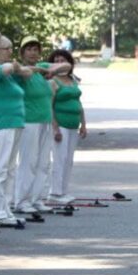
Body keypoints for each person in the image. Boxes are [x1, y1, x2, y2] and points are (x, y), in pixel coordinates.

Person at [0, 29, 30, 225]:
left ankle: (6, 207)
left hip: (14, 123)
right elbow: (8, 69)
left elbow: (26, 73)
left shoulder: (7, 74)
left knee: (10, 169)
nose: (10, 51)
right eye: (6, 48)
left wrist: (17, 67)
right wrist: (13, 66)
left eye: (11, 48)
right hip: (1, 124)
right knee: (0, 168)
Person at [12, 37, 55, 215]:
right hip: (29, 121)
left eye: (36, 49)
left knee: (43, 163)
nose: (33, 52)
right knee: (28, 162)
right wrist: (41, 69)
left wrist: (47, 70)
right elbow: (19, 70)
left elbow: (66, 66)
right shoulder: (22, 71)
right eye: (28, 49)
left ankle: (37, 199)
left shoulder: (40, 71)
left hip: (45, 120)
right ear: (22, 53)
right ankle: (22, 200)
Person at [47, 48, 86, 206]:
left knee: (68, 160)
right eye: (56, 61)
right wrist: (55, 128)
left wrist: (84, 124)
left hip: (73, 125)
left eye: (62, 60)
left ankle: (63, 191)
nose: (59, 64)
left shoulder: (73, 80)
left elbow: (79, 103)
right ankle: (55, 192)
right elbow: (49, 105)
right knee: (59, 159)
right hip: (60, 125)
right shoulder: (53, 81)